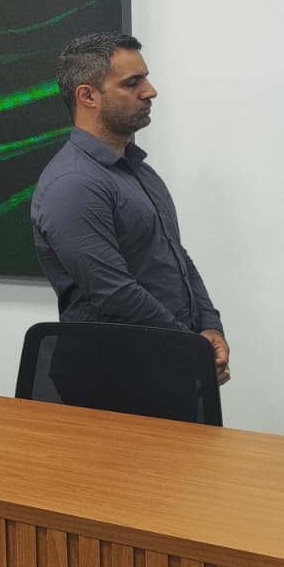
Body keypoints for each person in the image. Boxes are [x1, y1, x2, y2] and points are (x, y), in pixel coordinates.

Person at [31, 33, 230, 384]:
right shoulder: (73, 184)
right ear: (87, 96)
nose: (150, 91)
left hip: (170, 361)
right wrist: (192, 349)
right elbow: (114, 293)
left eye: (146, 79)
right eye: (132, 83)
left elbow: (177, 257)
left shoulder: (139, 171)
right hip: (114, 379)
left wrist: (210, 326)